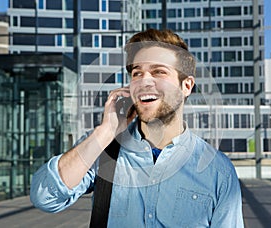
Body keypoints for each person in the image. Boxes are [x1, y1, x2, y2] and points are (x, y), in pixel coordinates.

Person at [30, 29, 244, 227]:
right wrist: (106, 132)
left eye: (159, 72)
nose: (144, 81)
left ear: (186, 86)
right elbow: (45, 197)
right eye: (137, 73)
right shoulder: (104, 148)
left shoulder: (217, 170)